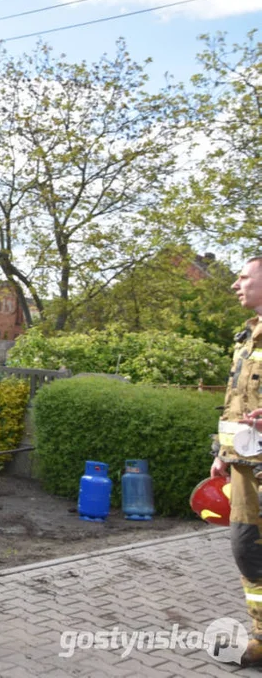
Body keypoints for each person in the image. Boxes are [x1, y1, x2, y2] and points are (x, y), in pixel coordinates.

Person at [211, 255, 262, 667]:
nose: (235, 284)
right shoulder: (247, 338)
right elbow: (235, 401)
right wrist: (222, 455)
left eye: (243, 277)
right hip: (246, 468)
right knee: (247, 551)